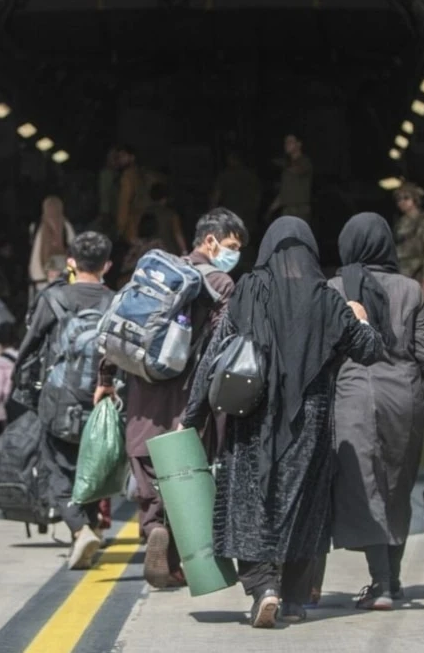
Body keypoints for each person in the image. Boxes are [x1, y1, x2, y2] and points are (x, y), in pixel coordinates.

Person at [180, 217, 384, 629]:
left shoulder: (249, 291)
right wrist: (360, 318)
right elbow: (370, 350)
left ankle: (263, 587)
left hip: (252, 419)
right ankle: (291, 599)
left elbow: (215, 355)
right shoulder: (328, 301)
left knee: (249, 505)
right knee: (302, 507)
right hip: (310, 424)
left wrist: (193, 415)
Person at [94, 207, 248, 589]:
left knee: (147, 462)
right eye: (231, 245)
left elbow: (123, 325)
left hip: (143, 391)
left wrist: (105, 378)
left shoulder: (158, 272)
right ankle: (174, 553)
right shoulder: (221, 283)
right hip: (187, 396)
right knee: (185, 472)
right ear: (210, 240)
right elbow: (222, 344)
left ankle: (153, 530)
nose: (235, 253)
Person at [320, 212, 424, 609]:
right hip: (405, 396)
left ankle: (381, 583)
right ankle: (392, 581)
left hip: (352, 396)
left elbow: (324, 349)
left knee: (363, 486)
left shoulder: (333, 288)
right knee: (397, 488)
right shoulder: (410, 289)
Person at [16, 231, 115, 569]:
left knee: (55, 467)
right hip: (102, 398)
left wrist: (22, 388)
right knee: (93, 466)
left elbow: (30, 346)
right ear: (107, 265)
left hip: (59, 397)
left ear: (71, 262)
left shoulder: (53, 298)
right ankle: (89, 529)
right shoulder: (115, 301)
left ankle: (79, 528)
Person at [392, 183, 424, 302]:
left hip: (417, 275)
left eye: (406, 198)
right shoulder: (400, 224)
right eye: (399, 199)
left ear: (415, 200)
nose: (401, 202)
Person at [29, 195, 76, 294]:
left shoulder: (37, 226)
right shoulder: (65, 226)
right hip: (56, 277)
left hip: (41, 277)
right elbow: (74, 249)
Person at [267, 134, 313, 223]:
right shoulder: (287, 169)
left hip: (300, 211)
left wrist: (282, 163)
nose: (286, 145)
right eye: (285, 142)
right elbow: (284, 192)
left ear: (299, 144)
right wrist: (271, 209)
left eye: (290, 142)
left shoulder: (305, 161)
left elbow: (298, 169)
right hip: (287, 211)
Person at [141, 182, 187, 255]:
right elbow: (177, 234)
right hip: (167, 251)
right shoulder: (171, 214)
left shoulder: (145, 212)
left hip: (148, 251)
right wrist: (184, 251)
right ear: (165, 198)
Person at [115, 144, 148, 242]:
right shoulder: (140, 173)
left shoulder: (127, 176)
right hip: (143, 224)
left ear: (132, 157)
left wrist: (120, 228)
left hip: (131, 226)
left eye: (123, 156)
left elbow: (124, 203)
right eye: (119, 157)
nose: (120, 159)